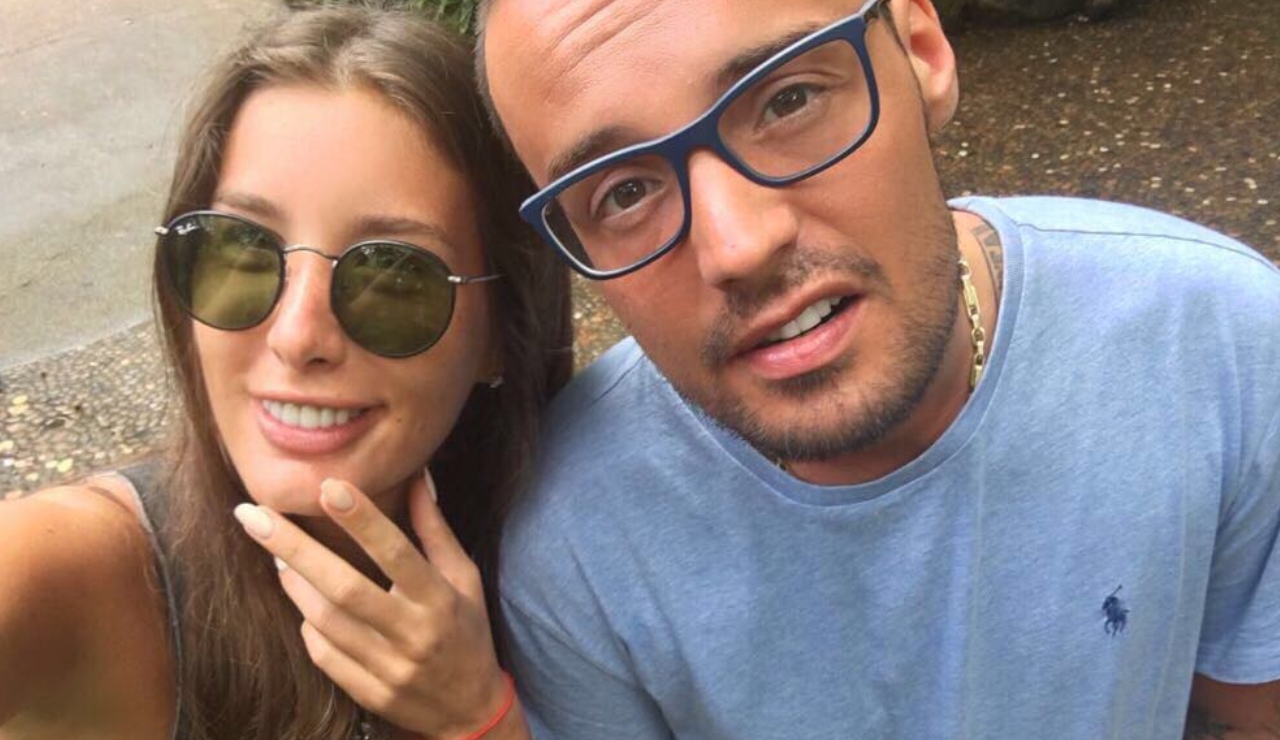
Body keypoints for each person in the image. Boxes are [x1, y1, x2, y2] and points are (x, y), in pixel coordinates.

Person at [474, 0, 1280, 736]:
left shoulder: (1214, 344)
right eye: (622, 193)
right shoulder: (578, 541)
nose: (738, 246)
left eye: (787, 99)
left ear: (921, 51)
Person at [0, 6, 570, 740]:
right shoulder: (70, 570)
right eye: (240, 251)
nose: (298, 337)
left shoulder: (565, 557)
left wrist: (477, 717)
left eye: (394, 275)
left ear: (500, 331)